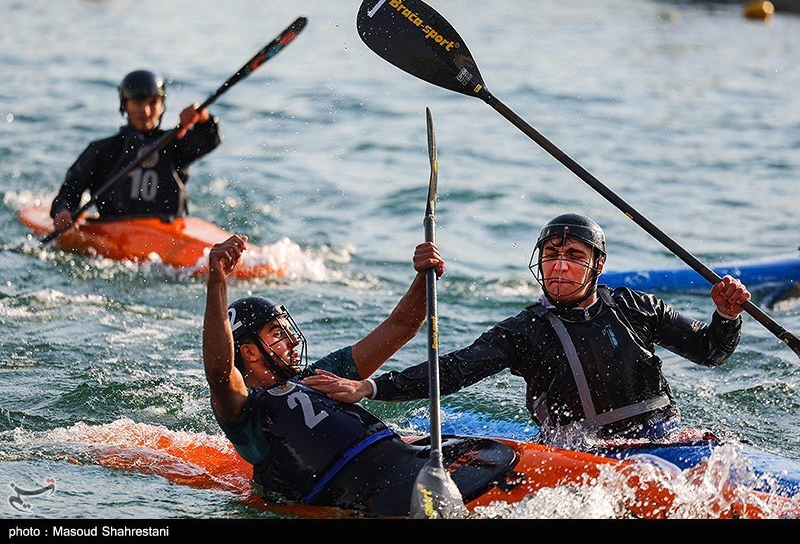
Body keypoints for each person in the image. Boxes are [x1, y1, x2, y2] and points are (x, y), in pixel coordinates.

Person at [304, 213, 752, 448]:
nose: (559, 265)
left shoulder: (636, 307)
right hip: (578, 451)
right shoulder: (525, 330)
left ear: (597, 265)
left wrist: (726, 316)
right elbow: (455, 369)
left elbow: (711, 353)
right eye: (552, 254)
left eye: (574, 255)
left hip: (663, 437)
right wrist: (371, 387)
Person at [202, 234, 514, 516]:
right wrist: (217, 281)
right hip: (361, 498)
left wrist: (423, 276)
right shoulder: (246, 415)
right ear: (250, 352)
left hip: (406, 460)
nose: (293, 340)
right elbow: (219, 373)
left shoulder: (323, 375)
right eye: (277, 333)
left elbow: (400, 328)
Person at [50, 69, 222, 233]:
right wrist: (63, 212)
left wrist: (203, 118)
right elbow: (70, 191)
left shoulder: (175, 146)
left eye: (153, 102)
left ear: (162, 105)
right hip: (114, 230)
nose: (145, 110)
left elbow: (209, 139)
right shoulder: (103, 150)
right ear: (124, 104)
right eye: (138, 102)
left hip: (167, 233)